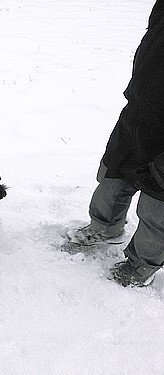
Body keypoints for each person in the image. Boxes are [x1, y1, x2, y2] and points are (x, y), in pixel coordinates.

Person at [67, 0, 164, 287]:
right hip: (139, 114)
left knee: (157, 208)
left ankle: (140, 267)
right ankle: (104, 228)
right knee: (113, 176)